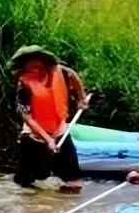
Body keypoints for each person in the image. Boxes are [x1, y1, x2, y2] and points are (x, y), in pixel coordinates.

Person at [11, 46, 87, 195]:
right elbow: (28, 117)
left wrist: (82, 97)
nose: (35, 64)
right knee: (28, 181)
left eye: (38, 60)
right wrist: (48, 140)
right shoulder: (24, 85)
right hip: (35, 133)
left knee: (73, 180)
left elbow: (74, 77)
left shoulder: (61, 72)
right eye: (30, 61)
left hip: (59, 128)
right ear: (24, 65)